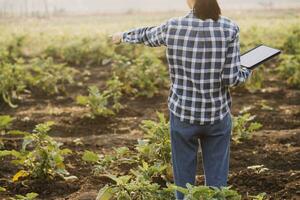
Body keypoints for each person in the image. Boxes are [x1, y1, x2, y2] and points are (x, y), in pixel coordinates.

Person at [111, 0, 252, 199]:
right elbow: (231, 78)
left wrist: (122, 36)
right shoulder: (230, 28)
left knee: (183, 184)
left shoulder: (173, 26)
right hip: (216, 117)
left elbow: (147, 35)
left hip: (183, 115)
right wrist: (246, 70)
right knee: (218, 185)